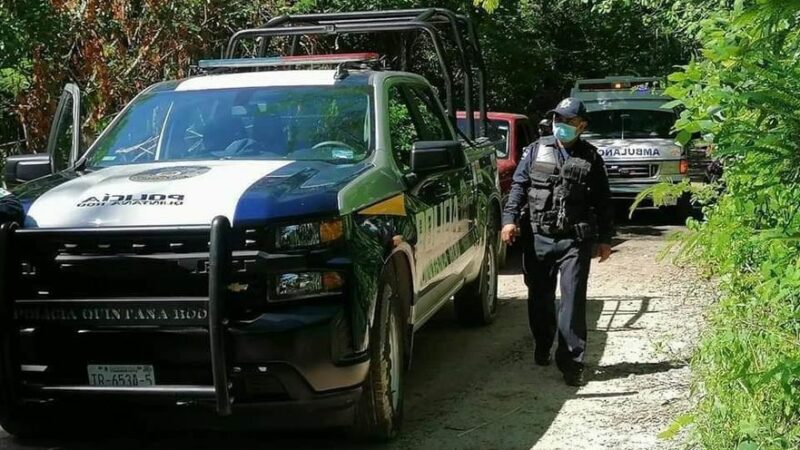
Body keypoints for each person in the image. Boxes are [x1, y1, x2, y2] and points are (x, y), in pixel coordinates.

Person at [501, 97, 613, 386]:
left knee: (573, 301)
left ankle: (572, 362)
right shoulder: (536, 151)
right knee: (539, 298)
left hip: (574, 241)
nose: (560, 125)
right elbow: (518, 186)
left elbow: (602, 200)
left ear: (582, 125)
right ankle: (543, 342)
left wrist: (605, 238)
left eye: (567, 121)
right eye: (557, 120)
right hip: (538, 236)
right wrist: (509, 220)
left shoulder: (590, 157)